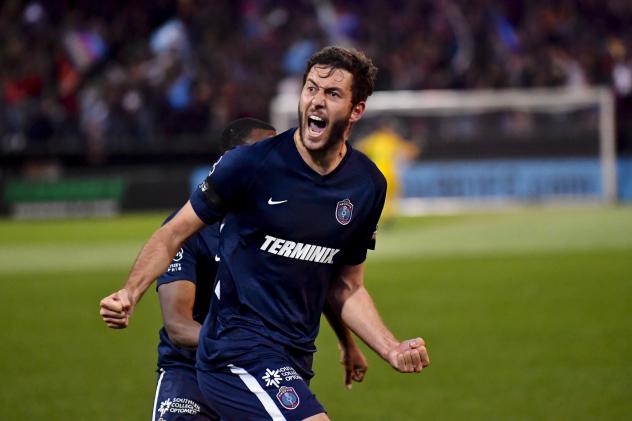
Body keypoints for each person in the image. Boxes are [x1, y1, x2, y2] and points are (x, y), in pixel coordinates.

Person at [100, 46, 429, 421]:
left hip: (293, 357)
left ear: (356, 110)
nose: (317, 101)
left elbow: (347, 286)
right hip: (234, 351)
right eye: (311, 89)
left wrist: (389, 348)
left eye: (333, 93)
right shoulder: (250, 165)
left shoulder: (367, 184)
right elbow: (172, 234)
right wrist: (130, 291)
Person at [355, 118, 420, 223]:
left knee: (378, 197)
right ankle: (387, 218)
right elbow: (410, 151)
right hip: (390, 173)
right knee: (390, 198)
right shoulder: (392, 139)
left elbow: (359, 148)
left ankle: (380, 218)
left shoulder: (374, 139)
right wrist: (415, 147)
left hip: (377, 173)